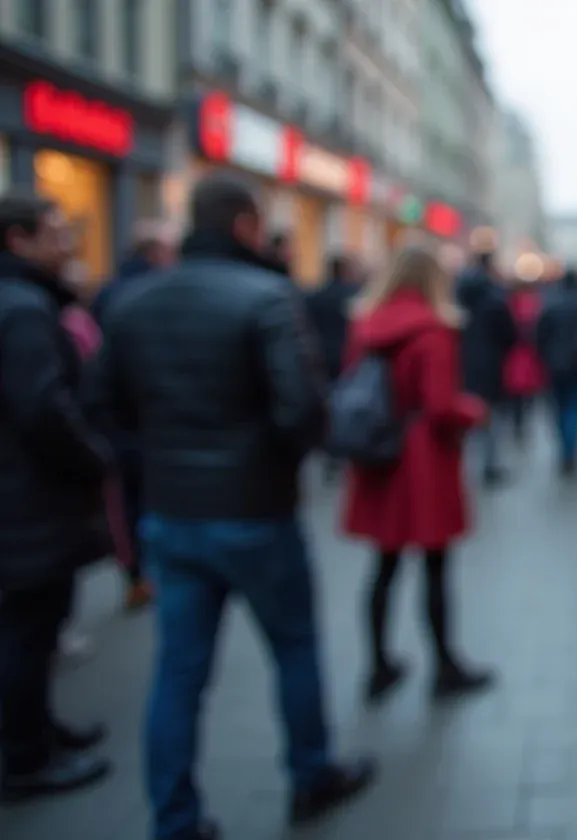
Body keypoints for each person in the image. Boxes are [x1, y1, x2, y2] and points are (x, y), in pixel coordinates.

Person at [94, 173, 375, 839]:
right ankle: (311, 775)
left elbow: (104, 405)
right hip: (255, 511)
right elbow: (302, 411)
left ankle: (174, 817)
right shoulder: (268, 297)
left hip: (172, 513)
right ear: (246, 226)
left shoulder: (133, 302)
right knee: (295, 646)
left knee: (179, 674)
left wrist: (165, 448)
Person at [341, 244, 496, 705]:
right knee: (434, 565)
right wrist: (474, 411)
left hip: (378, 454)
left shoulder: (366, 325)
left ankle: (377, 664)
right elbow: (440, 405)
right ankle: (445, 664)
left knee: (383, 566)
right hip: (423, 458)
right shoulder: (434, 330)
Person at [0, 192, 114, 802]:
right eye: (55, 232)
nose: (67, 243)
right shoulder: (22, 310)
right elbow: (44, 408)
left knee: (33, 628)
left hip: (23, 495)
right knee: (28, 628)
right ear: (18, 240)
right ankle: (25, 756)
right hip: (27, 500)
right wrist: (93, 459)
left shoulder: (24, 303)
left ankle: (37, 728)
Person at [91, 219, 177, 611]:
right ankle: (146, 568)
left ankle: (135, 570)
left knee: (127, 498)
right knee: (147, 496)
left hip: (119, 419)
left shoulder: (109, 293)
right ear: (155, 253)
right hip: (147, 417)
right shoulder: (154, 294)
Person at [456, 251, 517, 486]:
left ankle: (464, 465)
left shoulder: (457, 297)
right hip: (491, 364)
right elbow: (510, 335)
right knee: (491, 417)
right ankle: (489, 465)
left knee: (465, 416)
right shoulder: (496, 300)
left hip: (462, 363)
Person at [306, 254, 362, 482]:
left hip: (321, 355)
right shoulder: (352, 296)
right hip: (345, 356)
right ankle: (340, 447)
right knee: (344, 403)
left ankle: (329, 448)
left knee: (327, 402)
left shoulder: (316, 296)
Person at [536, 267, 577, 475]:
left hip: (555, 365)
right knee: (575, 409)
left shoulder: (551, 304)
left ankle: (566, 449)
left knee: (559, 410)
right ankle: (571, 449)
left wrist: (544, 358)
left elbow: (539, 336)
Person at [502, 278, 546, 444]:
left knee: (516, 395)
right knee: (528, 395)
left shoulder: (510, 304)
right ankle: (523, 423)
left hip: (515, 355)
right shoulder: (536, 304)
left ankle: (518, 424)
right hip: (529, 355)